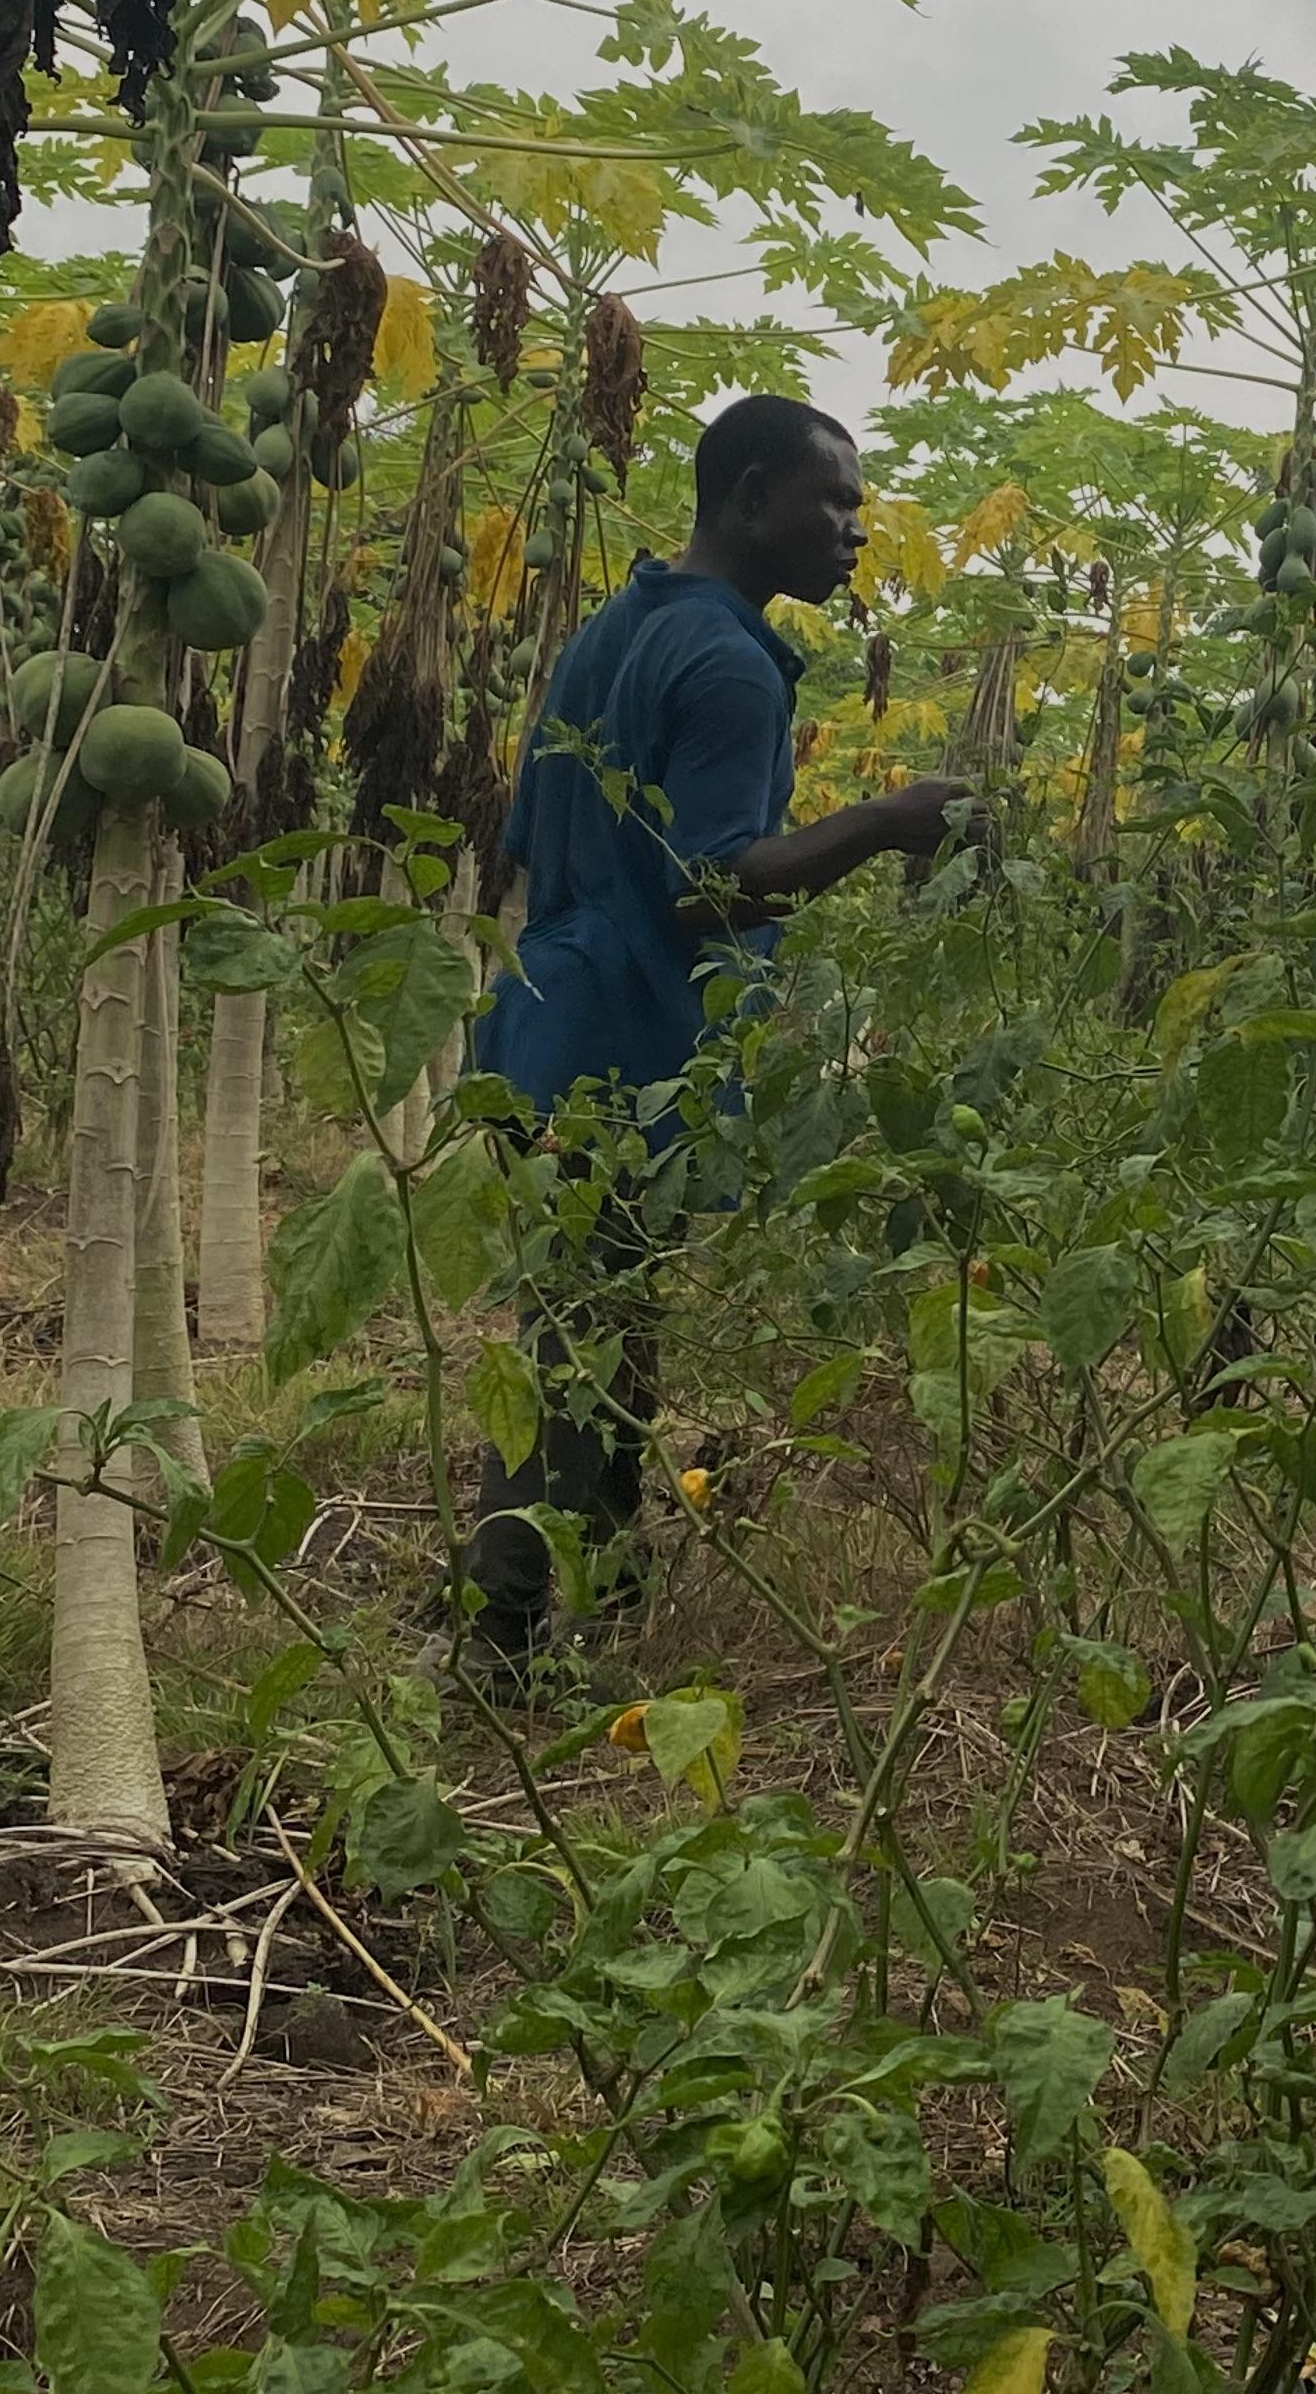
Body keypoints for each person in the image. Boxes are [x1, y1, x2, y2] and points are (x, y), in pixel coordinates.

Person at [457, 393, 962, 1674]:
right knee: (584, 1338)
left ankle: (604, 1599)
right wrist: (887, 822)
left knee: (594, 1324)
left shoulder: (614, 629)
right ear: (749, 498)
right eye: (834, 502)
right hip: (625, 1038)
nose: (854, 531)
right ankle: (496, 1632)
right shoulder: (732, 664)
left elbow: (531, 838)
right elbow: (709, 885)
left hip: (545, 1012)